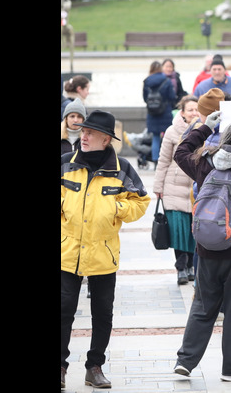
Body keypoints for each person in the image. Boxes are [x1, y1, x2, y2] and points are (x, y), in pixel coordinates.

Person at [61, 110, 150, 389]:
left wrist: (116, 208)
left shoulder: (121, 168)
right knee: (63, 309)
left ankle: (94, 367)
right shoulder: (66, 163)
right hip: (67, 252)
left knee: (103, 313)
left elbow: (141, 201)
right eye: (82, 132)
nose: (83, 136)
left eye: (90, 133)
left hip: (103, 254)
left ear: (105, 139)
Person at [172, 116, 231, 382]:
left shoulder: (205, 162)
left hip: (207, 247)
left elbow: (180, 152)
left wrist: (204, 126)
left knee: (202, 305)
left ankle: (186, 361)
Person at [154, 96, 200, 284]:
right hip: (173, 187)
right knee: (178, 230)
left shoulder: (205, 131)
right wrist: (158, 187)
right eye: (190, 110)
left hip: (195, 189)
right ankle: (181, 267)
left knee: (192, 231)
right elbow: (163, 160)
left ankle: (191, 265)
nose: (194, 113)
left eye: (197, 110)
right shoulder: (172, 132)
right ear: (182, 113)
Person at [144, 60, 177, 162]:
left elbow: (145, 98)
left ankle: (155, 160)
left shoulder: (146, 81)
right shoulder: (166, 81)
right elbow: (172, 97)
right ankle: (167, 159)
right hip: (165, 112)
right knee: (168, 136)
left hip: (152, 113)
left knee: (155, 137)